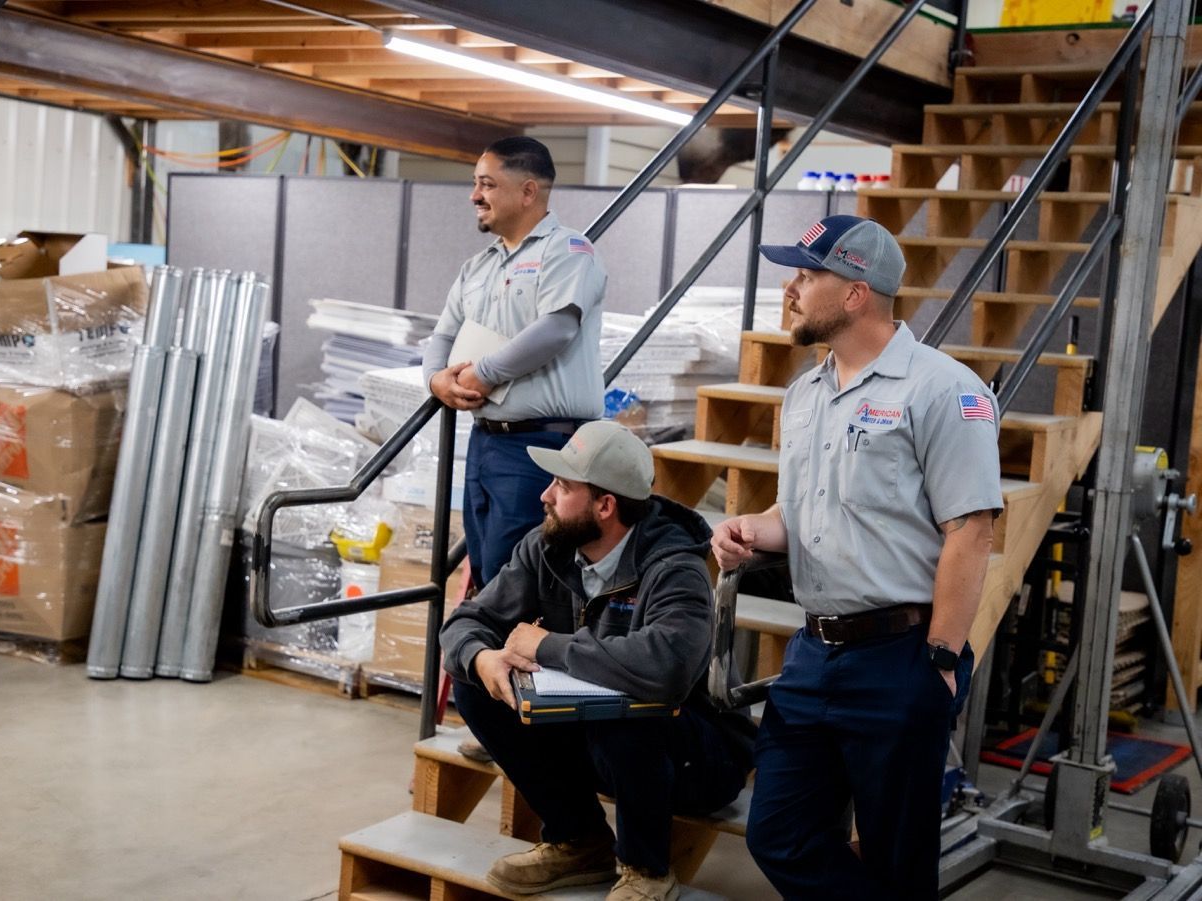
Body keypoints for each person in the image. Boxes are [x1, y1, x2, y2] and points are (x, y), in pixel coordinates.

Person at [711, 215, 1002, 900]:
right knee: (777, 830)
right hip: (813, 653)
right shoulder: (806, 394)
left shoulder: (942, 390)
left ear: (854, 293)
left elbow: (971, 530)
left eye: (807, 274)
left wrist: (939, 659)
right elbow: (799, 509)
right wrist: (752, 528)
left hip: (900, 655)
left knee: (897, 855)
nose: (791, 288)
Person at [440, 420, 754, 901]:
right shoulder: (548, 546)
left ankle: (646, 869)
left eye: (563, 486)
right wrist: (481, 659)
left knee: (624, 709)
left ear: (605, 506)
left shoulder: (674, 565)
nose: (546, 496)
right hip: (600, 738)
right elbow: (466, 622)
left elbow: (666, 666)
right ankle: (578, 840)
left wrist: (546, 646)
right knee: (476, 685)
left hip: (699, 754)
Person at [423, 136, 606, 590]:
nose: (474, 195)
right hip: (486, 444)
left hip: (540, 447)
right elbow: (443, 333)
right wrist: (435, 380)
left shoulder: (567, 251)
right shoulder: (478, 266)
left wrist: (484, 374)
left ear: (528, 191)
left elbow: (557, 328)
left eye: (486, 184)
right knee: (486, 573)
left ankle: (518, 660)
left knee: (524, 581)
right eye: (474, 184)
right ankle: (483, 660)